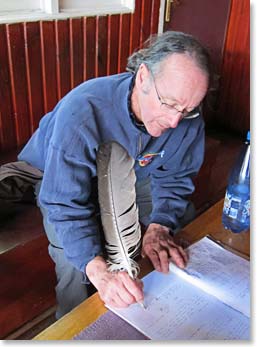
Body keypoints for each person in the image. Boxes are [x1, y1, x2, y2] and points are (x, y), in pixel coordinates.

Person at [17, 31, 210, 318]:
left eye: (188, 110)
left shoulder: (186, 119)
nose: (174, 121)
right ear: (143, 76)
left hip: (132, 171)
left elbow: (175, 178)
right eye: (168, 103)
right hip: (56, 175)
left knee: (180, 216)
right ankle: (72, 323)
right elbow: (63, 203)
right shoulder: (82, 112)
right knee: (73, 261)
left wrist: (159, 226)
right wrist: (99, 271)